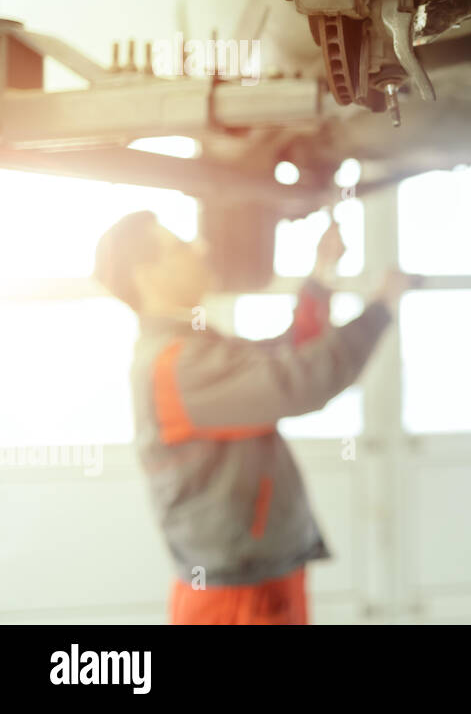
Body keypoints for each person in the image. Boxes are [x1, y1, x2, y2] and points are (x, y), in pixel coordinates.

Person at [93, 212, 406, 623]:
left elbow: (289, 352)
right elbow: (301, 379)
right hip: (236, 600)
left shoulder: (193, 349)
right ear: (147, 275)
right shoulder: (176, 365)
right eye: (179, 246)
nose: (199, 248)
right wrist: (381, 308)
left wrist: (322, 271)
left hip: (257, 580)